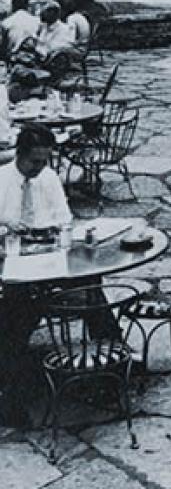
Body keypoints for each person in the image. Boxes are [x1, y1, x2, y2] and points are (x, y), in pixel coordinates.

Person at [0, 124, 75, 425]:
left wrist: (53, 230)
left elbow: (65, 218)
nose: (39, 168)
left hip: (46, 258)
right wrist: (5, 229)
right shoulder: (1, 179)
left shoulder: (48, 178)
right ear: (19, 154)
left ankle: (110, 354)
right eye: (34, 161)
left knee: (88, 282)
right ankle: (13, 389)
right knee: (18, 307)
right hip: (11, 262)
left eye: (45, 161)